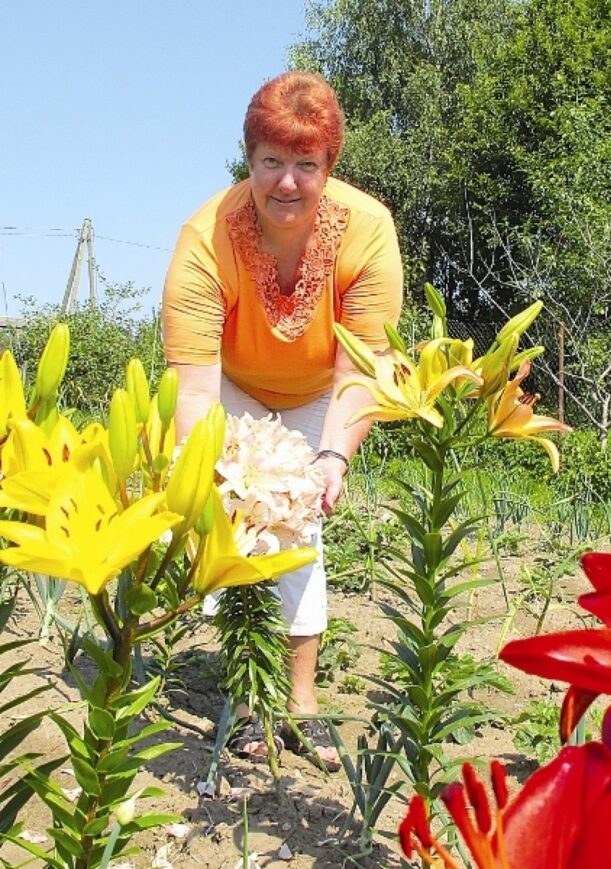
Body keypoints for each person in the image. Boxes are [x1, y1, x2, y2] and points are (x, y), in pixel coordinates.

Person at [162, 71, 403, 768]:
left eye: (306, 164)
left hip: (322, 387)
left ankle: (301, 704)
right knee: (240, 531)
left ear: (330, 166)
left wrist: (333, 457)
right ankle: (247, 702)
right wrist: (205, 471)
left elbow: (364, 363)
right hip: (231, 386)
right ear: (249, 161)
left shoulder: (368, 232)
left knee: (299, 529)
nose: (287, 182)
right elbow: (195, 385)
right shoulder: (204, 237)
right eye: (272, 161)